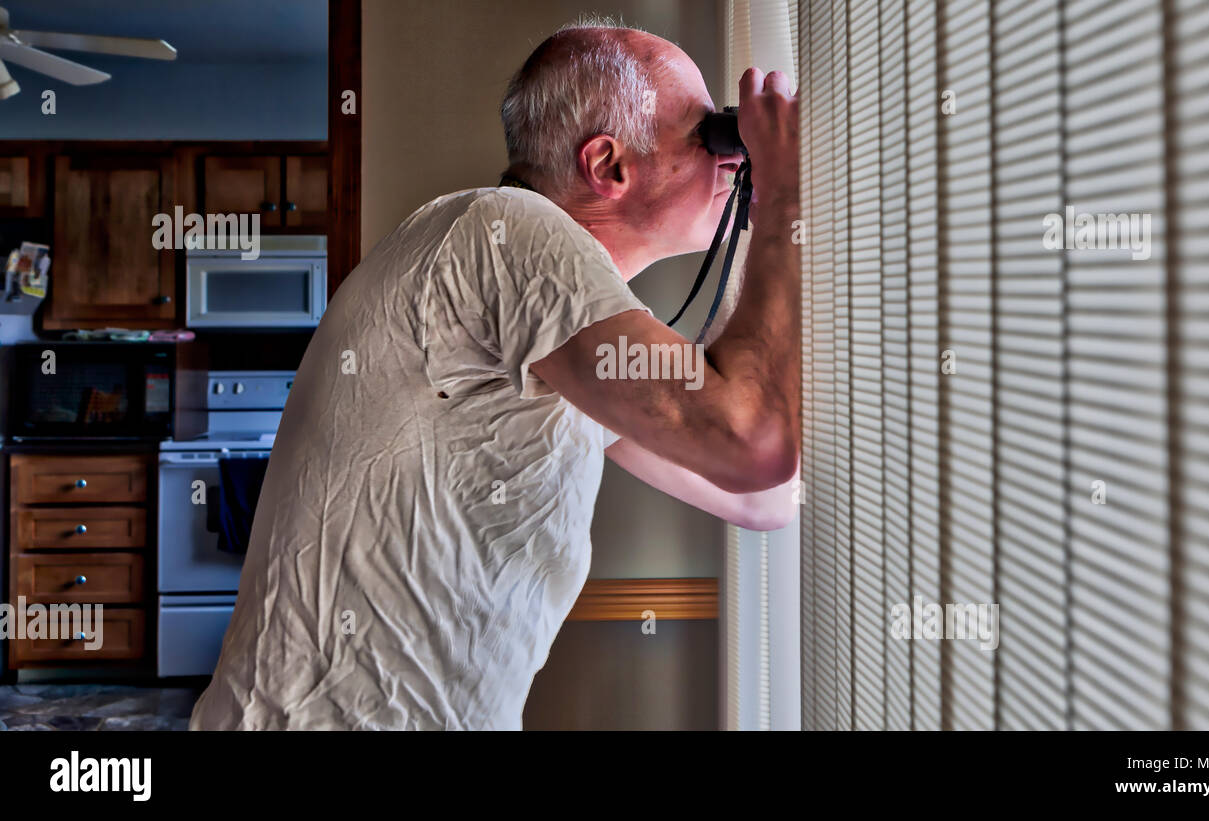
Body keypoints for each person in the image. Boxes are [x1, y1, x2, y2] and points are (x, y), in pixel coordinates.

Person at [188, 18, 800, 731]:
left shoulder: (545, 332)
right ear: (609, 165)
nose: (731, 156)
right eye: (709, 134)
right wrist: (783, 194)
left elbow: (763, 497)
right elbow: (751, 441)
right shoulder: (508, 234)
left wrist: (757, 212)